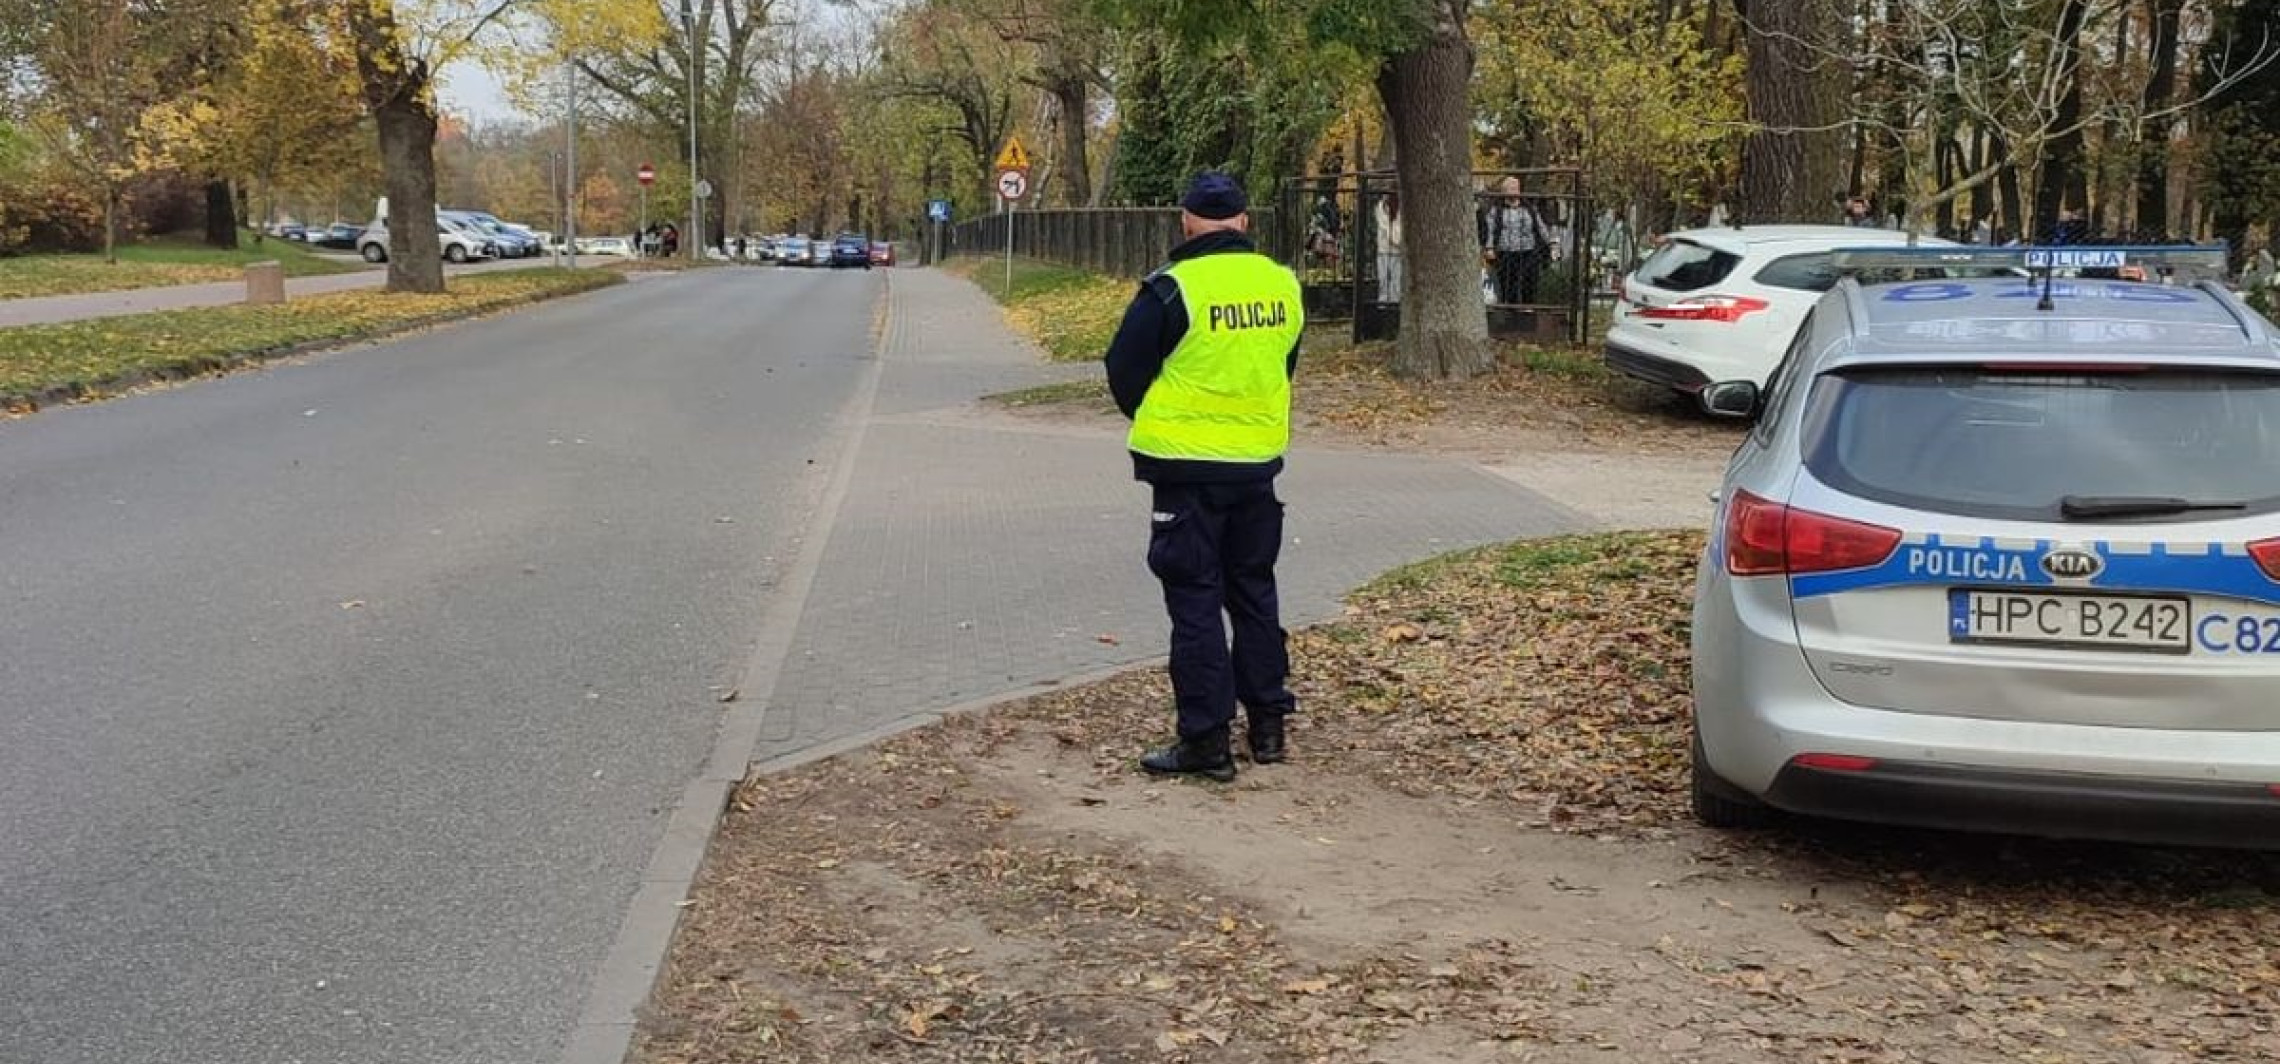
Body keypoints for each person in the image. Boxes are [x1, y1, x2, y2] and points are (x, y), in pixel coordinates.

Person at [1103, 172, 1305, 782]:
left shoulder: (1171, 289)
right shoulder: (1283, 285)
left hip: (1187, 471)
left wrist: (1158, 414)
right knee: (1253, 591)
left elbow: (1124, 368)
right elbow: (1283, 363)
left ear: (1186, 220)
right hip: (1256, 467)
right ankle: (1268, 727)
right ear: (1243, 221)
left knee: (1194, 600)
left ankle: (1206, 740)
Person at [1479, 176, 1551, 305]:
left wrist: (1552, 243)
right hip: (1506, 253)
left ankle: (1528, 313)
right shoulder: (1497, 210)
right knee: (1509, 289)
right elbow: (1490, 229)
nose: (1514, 191)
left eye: (1516, 188)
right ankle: (1511, 316)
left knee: (1528, 287)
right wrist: (1489, 248)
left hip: (1528, 252)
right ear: (1504, 191)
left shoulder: (1529, 208)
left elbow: (1540, 226)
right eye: (1511, 188)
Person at [1373, 192, 1403, 302]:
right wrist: (1396, 239)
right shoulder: (1380, 208)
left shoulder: (1400, 209)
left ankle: (1394, 304)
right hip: (1384, 250)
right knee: (1383, 281)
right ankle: (1383, 305)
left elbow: (1397, 230)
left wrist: (1397, 240)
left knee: (1396, 282)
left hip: (1397, 251)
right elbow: (1385, 227)